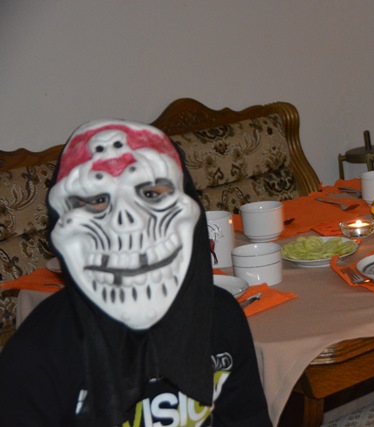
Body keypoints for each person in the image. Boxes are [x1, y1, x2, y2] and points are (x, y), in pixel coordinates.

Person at [0, 120, 272, 426]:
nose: (127, 221)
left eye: (152, 193)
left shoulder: (220, 318)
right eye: (97, 201)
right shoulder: (38, 354)